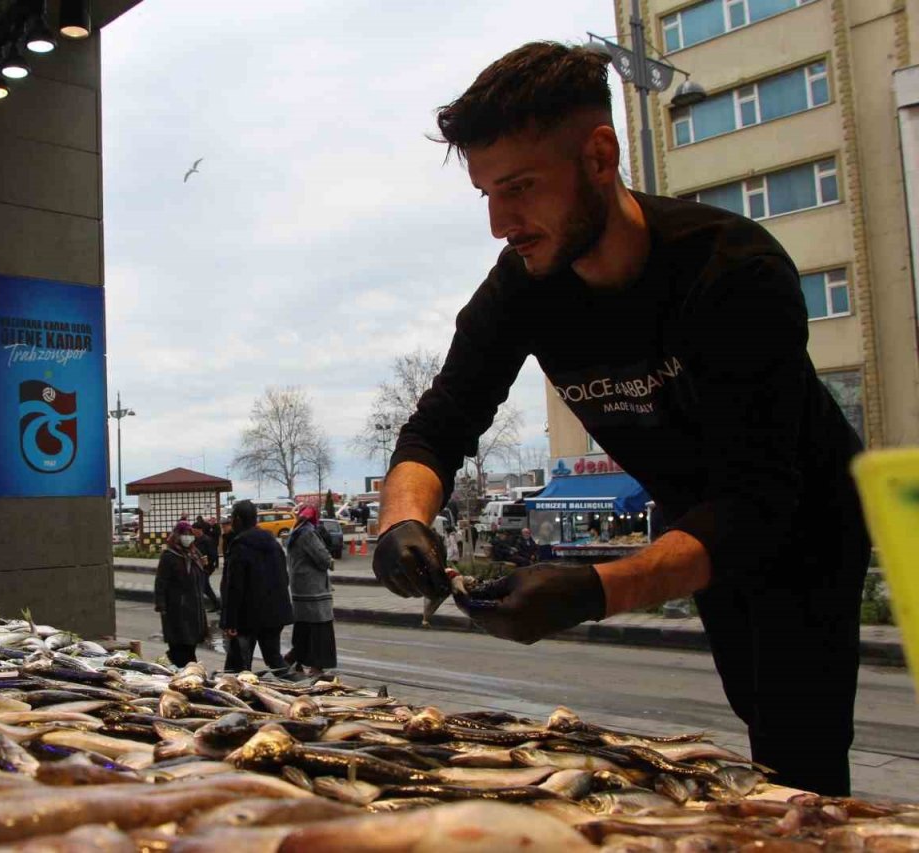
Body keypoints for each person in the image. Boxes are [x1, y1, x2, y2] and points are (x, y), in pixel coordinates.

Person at [370, 42, 869, 796]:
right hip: (692, 511)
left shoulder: (733, 272)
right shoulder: (523, 287)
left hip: (802, 514)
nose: (502, 223)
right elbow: (438, 426)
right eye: (486, 196)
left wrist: (592, 590)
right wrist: (399, 522)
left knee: (798, 743)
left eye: (521, 188)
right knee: (757, 712)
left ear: (600, 157)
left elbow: (754, 505)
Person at [220, 500, 294, 673]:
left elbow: (234, 587)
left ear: (238, 519)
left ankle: (238, 694)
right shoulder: (273, 544)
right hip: (275, 613)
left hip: (247, 616)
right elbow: (284, 577)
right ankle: (298, 685)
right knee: (274, 658)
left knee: (237, 665)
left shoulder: (240, 546)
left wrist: (230, 621)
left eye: (232, 518)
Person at [285, 504, 336, 677]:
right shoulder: (308, 533)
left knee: (303, 627)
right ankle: (317, 667)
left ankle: (295, 657)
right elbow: (322, 557)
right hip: (314, 590)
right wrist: (330, 562)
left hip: (300, 587)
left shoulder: (295, 531)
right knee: (320, 629)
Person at [153, 521, 208, 667]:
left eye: (190, 534)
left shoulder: (194, 553)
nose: (187, 538)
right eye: (184, 534)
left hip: (194, 608)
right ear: (177, 536)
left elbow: (201, 575)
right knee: (181, 647)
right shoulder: (169, 556)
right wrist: (161, 605)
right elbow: (161, 582)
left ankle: (182, 667)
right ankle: (186, 672)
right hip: (177, 609)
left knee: (191, 645)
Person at [192, 518, 221, 612]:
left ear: (199, 530)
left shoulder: (207, 540)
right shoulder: (194, 540)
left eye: (195, 531)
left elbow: (212, 555)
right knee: (205, 587)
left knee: (203, 586)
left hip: (206, 567)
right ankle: (217, 604)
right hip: (197, 566)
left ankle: (200, 606)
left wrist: (209, 566)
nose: (193, 533)